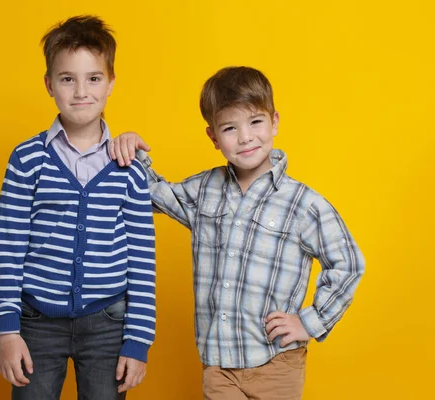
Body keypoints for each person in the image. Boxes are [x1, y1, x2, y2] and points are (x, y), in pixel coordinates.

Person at [110, 66, 364, 399]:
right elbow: (153, 194)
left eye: (256, 122)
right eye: (230, 128)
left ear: (274, 122)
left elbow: (349, 263)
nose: (245, 137)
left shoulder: (303, 203)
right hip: (218, 365)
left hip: (277, 363)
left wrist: (310, 321)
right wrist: (131, 152)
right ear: (213, 137)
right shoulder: (204, 190)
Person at [0, 15, 156, 400]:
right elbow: (9, 246)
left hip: (107, 324)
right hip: (35, 324)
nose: (81, 91)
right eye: (67, 79)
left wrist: (138, 341)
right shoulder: (27, 159)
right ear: (49, 85)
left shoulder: (129, 166)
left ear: (111, 83)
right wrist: (7, 330)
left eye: (93, 78)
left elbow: (142, 258)